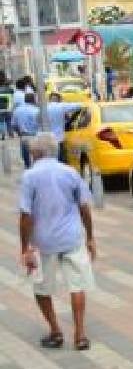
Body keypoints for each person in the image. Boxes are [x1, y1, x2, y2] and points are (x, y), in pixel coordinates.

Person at [18, 132, 98, 351]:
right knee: (77, 285)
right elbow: (84, 208)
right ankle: (80, 334)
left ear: (36, 153)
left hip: (44, 242)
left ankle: (55, 331)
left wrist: (25, 248)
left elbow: (26, 215)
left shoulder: (29, 176)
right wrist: (90, 237)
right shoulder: (70, 172)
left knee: (42, 288)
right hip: (72, 237)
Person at [12, 93, 40, 168]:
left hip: (24, 135)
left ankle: (28, 167)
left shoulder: (17, 110)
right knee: (36, 156)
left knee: (26, 157)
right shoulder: (36, 110)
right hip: (36, 135)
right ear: (34, 100)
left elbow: (14, 125)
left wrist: (19, 133)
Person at [0, 72, 13, 139]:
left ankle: (3, 134)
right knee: (9, 120)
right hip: (8, 104)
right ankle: (10, 133)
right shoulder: (8, 87)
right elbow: (12, 92)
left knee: (1, 121)